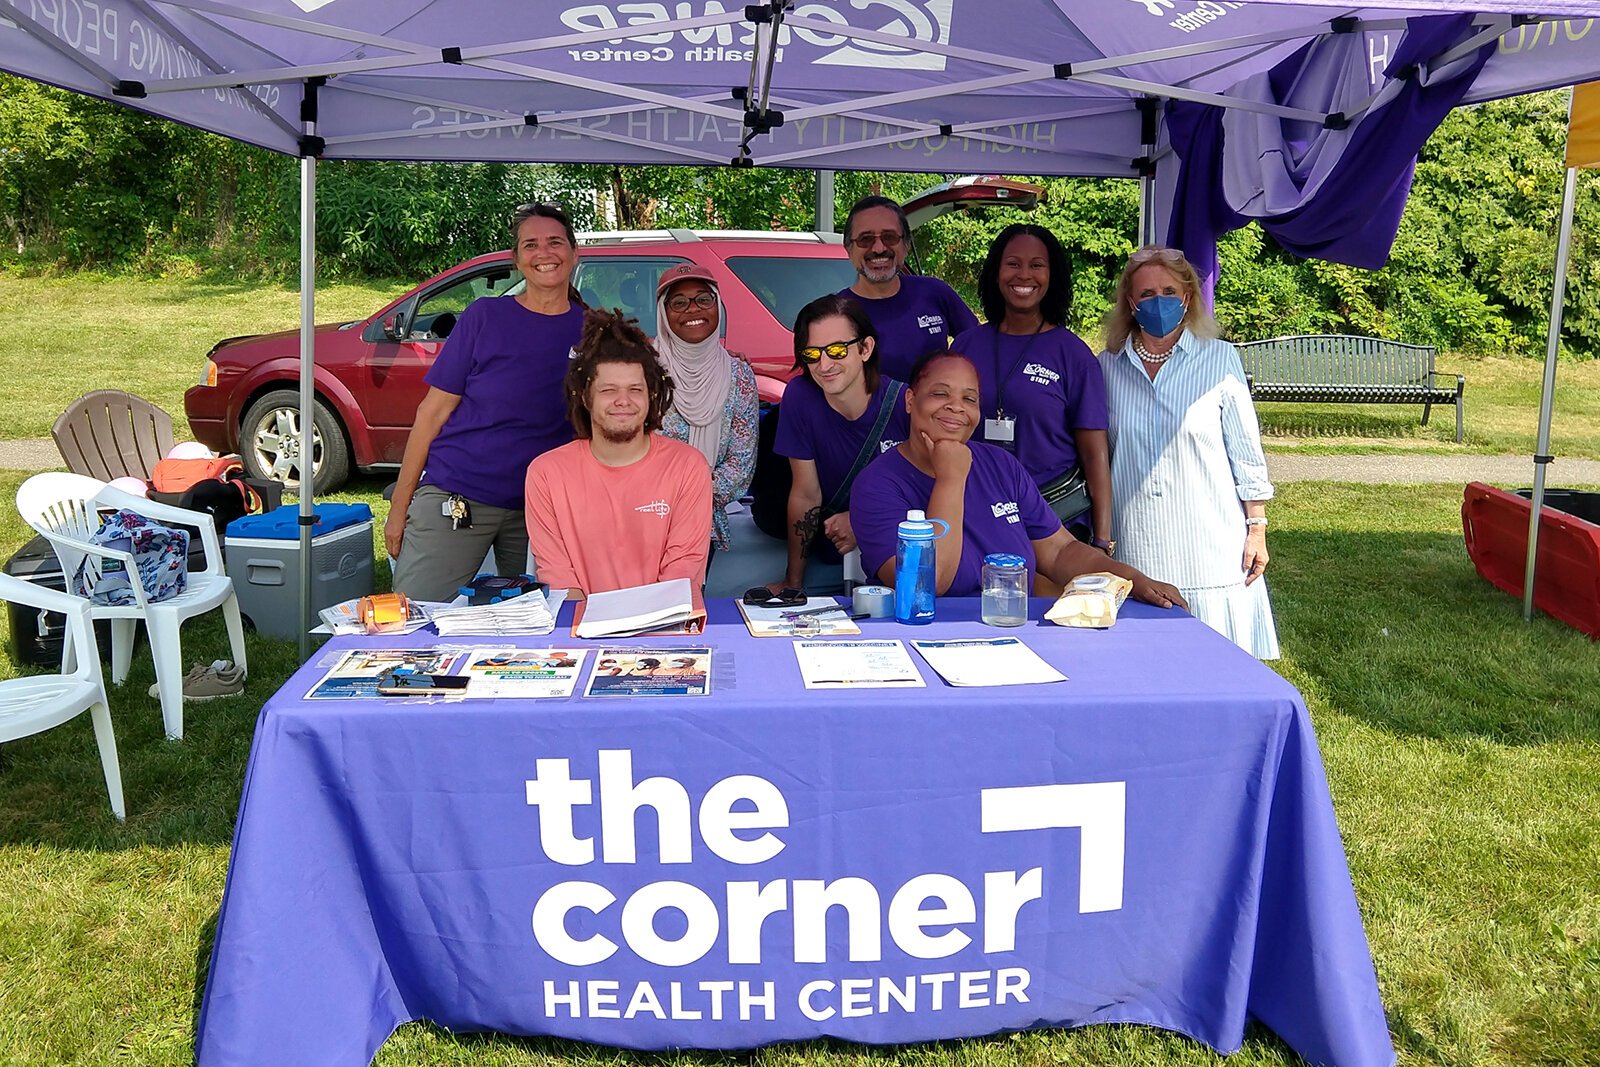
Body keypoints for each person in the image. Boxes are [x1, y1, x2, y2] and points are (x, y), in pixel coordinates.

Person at [852, 351, 1187, 607]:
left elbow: (1059, 552)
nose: (956, 407)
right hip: (931, 644)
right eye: (940, 394)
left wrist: (1130, 579)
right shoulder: (877, 485)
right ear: (911, 400)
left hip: (1014, 633)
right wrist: (951, 479)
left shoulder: (1001, 465)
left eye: (969, 398)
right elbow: (928, 585)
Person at [387, 203, 585, 602]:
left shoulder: (591, 329)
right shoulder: (485, 316)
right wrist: (399, 507)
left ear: (574, 252)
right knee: (417, 618)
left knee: (539, 623)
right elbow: (432, 413)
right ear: (516, 260)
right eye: (530, 244)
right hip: (459, 494)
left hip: (541, 507)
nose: (544, 253)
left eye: (555, 242)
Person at [1100, 246, 1278, 658]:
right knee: (1145, 666)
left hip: (1210, 543)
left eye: (1167, 290)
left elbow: (1246, 453)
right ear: (1130, 301)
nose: (1157, 301)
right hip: (1138, 542)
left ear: (1187, 298)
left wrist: (1257, 528)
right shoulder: (1106, 367)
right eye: (1146, 294)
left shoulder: (1220, 359)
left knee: (1220, 668)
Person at [524, 310, 713, 598]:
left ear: (651, 396)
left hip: (664, 627)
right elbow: (559, 578)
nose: (623, 401)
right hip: (581, 629)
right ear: (586, 398)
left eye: (635, 389)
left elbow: (682, 573)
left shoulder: (688, 466)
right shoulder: (546, 473)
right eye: (608, 390)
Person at [952, 223, 1112, 551]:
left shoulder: (1074, 355)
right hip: (977, 518)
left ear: (1052, 276)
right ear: (996, 272)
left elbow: (1095, 456)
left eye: (1037, 265)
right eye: (1013, 264)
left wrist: (1102, 539)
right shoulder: (966, 347)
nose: (1024, 275)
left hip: (1055, 524)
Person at [768, 294, 910, 594]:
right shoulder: (800, 395)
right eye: (811, 354)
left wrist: (864, 521)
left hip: (900, 554)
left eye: (836, 350)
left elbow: (933, 494)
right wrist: (794, 583)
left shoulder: (905, 403)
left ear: (866, 348)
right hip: (832, 544)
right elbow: (806, 493)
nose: (824, 364)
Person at [652, 263, 759, 561]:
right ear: (663, 312)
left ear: (717, 306)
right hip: (640, 516)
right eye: (679, 302)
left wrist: (688, 501)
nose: (692, 309)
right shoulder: (641, 370)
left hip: (700, 523)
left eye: (703, 298)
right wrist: (654, 502)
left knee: (689, 602)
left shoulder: (738, 376)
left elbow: (741, 462)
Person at [836, 195, 978, 382]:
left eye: (890, 237)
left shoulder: (935, 292)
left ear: (907, 245)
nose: (878, 248)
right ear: (848, 249)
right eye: (865, 239)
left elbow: (978, 346)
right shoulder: (835, 314)